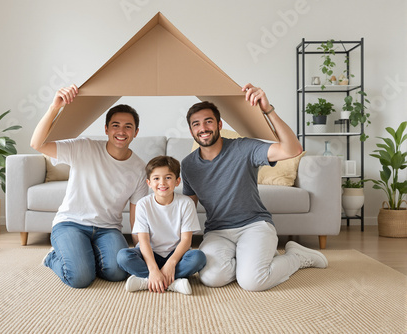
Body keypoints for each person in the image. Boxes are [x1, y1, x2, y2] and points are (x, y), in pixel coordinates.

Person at [181, 83, 328, 291]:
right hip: (217, 231)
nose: (203, 128)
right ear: (191, 130)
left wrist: (268, 110)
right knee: (211, 278)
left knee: (252, 282)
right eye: (196, 124)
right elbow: (187, 208)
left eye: (208, 122)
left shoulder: (244, 148)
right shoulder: (188, 165)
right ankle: (253, 260)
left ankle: (296, 256)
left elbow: (292, 149)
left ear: (219, 124)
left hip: (254, 226)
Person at [31, 84, 148, 288]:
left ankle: (85, 252)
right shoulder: (84, 147)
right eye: (115, 125)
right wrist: (54, 107)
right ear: (106, 129)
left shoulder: (140, 168)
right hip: (70, 223)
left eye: (128, 126)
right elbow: (37, 144)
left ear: (136, 132)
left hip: (108, 229)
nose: (121, 131)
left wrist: (143, 253)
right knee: (81, 278)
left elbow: (136, 218)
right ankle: (52, 258)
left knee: (119, 271)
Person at [117, 156, 207, 295]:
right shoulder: (143, 204)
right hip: (149, 254)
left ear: (177, 181)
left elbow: (186, 241)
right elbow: (144, 241)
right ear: (149, 182)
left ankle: (146, 281)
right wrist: (153, 269)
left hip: (175, 255)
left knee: (198, 257)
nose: (162, 183)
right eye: (156, 178)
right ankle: (171, 282)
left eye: (168, 177)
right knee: (123, 256)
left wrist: (171, 264)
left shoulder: (186, 203)